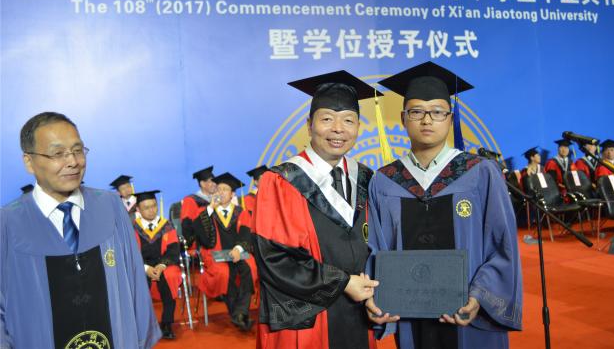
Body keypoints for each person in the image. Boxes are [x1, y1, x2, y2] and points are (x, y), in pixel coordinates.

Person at [366, 62, 522, 349]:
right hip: (411, 317)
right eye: (416, 112)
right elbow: (376, 248)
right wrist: (379, 297)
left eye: (437, 112)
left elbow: (502, 245)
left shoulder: (480, 172)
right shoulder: (385, 181)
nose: (427, 120)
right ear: (403, 119)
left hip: (468, 316)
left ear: (450, 119)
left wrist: (480, 297)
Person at [0, 112, 160, 348]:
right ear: (29, 162)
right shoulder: (7, 223)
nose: (73, 161)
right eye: (57, 154)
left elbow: (135, 281)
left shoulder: (110, 206)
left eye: (77, 150)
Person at [253, 71, 380, 349]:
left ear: (359, 127)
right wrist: (343, 283)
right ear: (309, 125)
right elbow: (273, 258)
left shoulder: (367, 178)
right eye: (327, 119)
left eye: (348, 120)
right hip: (308, 317)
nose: (338, 129)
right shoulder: (281, 181)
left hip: (359, 312)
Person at [192, 172, 256, 331]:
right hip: (216, 255)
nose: (220, 192)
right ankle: (239, 315)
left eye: (225, 189)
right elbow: (198, 232)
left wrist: (238, 249)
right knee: (224, 273)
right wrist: (210, 208)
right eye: (218, 189)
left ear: (232, 194)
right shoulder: (207, 212)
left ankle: (240, 313)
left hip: (237, 252)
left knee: (250, 267)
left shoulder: (240, 212)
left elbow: (246, 233)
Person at [132, 190, 182, 340]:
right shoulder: (132, 228)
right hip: (141, 265)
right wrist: (146, 268)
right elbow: (130, 253)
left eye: (154, 206)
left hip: (164, 264)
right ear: (138, 210)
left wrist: (162, 265)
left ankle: (167, 323)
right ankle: (142, 325)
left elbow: (174, 249)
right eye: (146, 207)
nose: (151, 210)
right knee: (138, 280)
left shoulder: (166, 226)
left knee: (171, 276)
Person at [180, 166, 216, 248]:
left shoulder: (217, 198)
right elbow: (187, 227)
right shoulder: (190, 200)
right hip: (201, 244)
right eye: (211, 181)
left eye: (215, 181)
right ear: (202, 184)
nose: (215, 184)